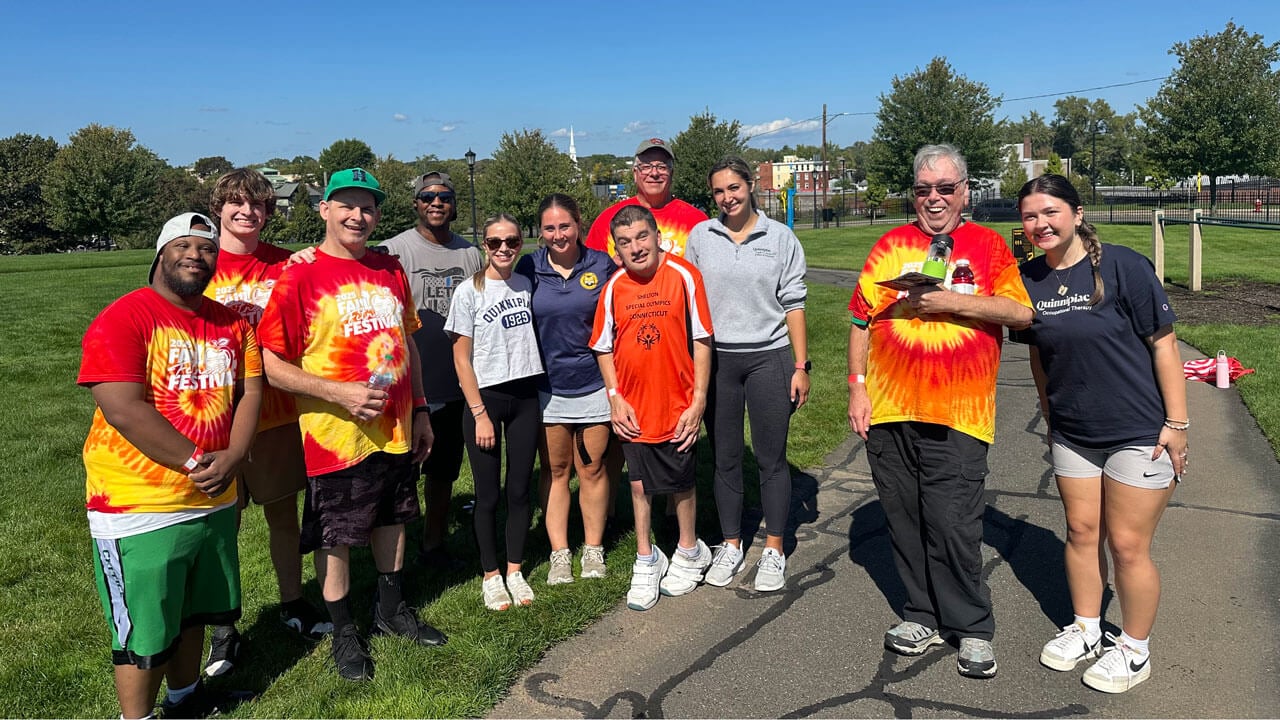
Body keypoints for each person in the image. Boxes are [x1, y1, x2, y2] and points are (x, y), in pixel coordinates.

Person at [846, 144, 1033, 678]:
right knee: (904, 518)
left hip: (958, 410)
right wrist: (858, 388)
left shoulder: (988, 245)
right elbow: (860, 320)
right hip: (890, 407)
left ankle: (971, 626)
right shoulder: (889, 246)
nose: (934, 199)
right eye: (924, 189)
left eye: (945, 188)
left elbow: (1021, 312)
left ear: (964, 192)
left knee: (953, 521)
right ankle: (922, 614)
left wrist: (954, 301)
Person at [256, 168, 446, 683]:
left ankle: (390, 610)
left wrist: (422, 408)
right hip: (335, 437)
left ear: (378, 215)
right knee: (335, 536)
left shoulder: (389, 268)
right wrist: (339, 393)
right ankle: (344, 631)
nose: (357, 216)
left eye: (366, 208)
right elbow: (269, 363)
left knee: (393, 518)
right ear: (324, 209)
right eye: (346, 205)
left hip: (397, 428)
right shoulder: (299, 276)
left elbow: (408, 344)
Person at [79, 212, 262, 718]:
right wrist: (197, 459)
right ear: (160, 254)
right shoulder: (125, 316)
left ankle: (185, 699)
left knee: (195, 610)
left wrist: (234, 456)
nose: (195, 256)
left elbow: (251, 392)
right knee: (144, 629)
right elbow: (122, 407)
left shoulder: (232, 322)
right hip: (139, 505)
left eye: (206, 249)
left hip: (212, 498)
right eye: (183, 245)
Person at [1012, 174, 1187, 693]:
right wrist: (1049, 416)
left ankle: (1134, 649)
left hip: (1139, 429)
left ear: (1077, 213)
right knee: (1082, 533)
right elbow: (1039, 357)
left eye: (1050, 212)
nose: (1040, 224)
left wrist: (1176, 424)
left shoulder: (1124, 267)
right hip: (1073, 432)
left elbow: (1164, 345)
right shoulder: (1026, 279)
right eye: (1029, 216)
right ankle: (1088, 628)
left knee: (1129, 545)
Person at [201, 169, 331, 678]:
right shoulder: (199, 259)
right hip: (215, 418)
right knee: (220, 527)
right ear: (220, 208)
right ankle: (222, 628)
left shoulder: (284, 263)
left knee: (284, 517)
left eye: (256, 205)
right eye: (236, 204)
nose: (246, 213)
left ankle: (292, 603)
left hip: (276, 414)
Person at [686, 157, 809, 593]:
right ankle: (732, 542)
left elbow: (794, 303)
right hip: (718, 361)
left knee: (770, 458)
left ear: (750, 186)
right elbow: (691, 302)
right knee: (725, 458)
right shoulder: (701, 236)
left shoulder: (780, 238)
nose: (727, 198)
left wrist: (800, 365)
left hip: (768, 358)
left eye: (734, 188)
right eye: (718, 191)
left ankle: (774, 548)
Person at [589, 205, 715, 611]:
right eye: (624, 242)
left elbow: (702, 340)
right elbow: (603, 346)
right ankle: (647, 557)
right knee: (639, 485)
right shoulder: (614, 287)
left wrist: (698, 401)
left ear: (657, 236)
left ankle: (690, 549)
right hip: (633, 407)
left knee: (681, 482)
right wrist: (614, 397)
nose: (636, 248)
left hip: (677, 402)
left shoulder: (683, 276)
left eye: (642, 237)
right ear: (616, 248)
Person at [380, 171, 485, 571]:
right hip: (410, 381)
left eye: (444, 197)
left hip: (456, 380)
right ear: (416, 204)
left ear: (454, 204)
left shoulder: (469, 254)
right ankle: (394, 557)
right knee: (402, 473)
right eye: (428, 197)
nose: (437, 203)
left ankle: (434, 544)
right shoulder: (396, 250)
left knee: (443, 473)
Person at [516, 194, 617, 585]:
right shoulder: (528, 266)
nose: (558, 235)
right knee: (556, 470)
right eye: (549, 228)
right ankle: (560, 553)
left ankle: (593, 550)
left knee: (591, 468)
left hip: (592, 382)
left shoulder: (601, 265)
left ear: (579, 224)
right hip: (546, 387)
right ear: (540, 231)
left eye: (565, 226)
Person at [446, 214, 545, 610]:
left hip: (525, 396)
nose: (504, 249)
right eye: (494, 242)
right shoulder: (469, 291)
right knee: (488, 494)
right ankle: (491, 574)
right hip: (485, 398)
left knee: (519, 491)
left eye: (512, 241)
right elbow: (460, 359)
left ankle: (515, 568)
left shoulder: (527, 284)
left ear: (522, 242)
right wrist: (479, 413)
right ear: (484, 246)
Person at [585, 137, 708, 262]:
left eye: (662, 167)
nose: (654, 173)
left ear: (672, 174)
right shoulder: (608, 220)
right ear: (635, 173)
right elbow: (590, 271)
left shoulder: (696, 221)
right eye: (646, 166)